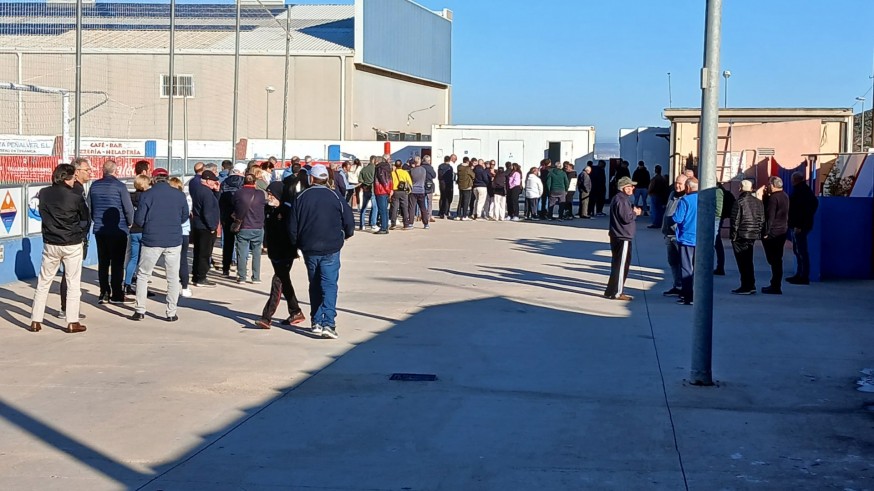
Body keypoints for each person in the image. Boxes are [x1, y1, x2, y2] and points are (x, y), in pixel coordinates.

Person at [288, 164, 355, 339]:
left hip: (309, 247)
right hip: (331, 247)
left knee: (315, 284)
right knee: (330, 285)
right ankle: (328, 323)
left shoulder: (301, 197)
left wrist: (296, 244)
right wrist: (346, 234)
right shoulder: (335, 196)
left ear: (312, 178)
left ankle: (316, 321)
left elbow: (292, 225)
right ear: (326, 178)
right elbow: (348, 219)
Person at [28, 164, 89, 333]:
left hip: (50, 242)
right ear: (67, 178)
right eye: (72, 178)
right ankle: (72, 321)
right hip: (72, 243)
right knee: (73, 283)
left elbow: (41, 213)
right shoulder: (75, 197)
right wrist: (81, 234)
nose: (73, 181)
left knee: (43, 282)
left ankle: (35, 319)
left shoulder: (44, 193)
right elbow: (85, 219)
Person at [129, 168, 189, 322]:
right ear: (167, 178)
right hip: (174, 239)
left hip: (152, 239)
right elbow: (184, 217)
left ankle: (140, 310)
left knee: (143, 274)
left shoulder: (147, 195)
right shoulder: (179, 195)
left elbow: (140, 219)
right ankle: (171, 312)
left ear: (153, 179)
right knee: (172, 278)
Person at [256, 181, 305, 329]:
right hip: (274, 252)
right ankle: (295, 311)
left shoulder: (288, 210)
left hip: (286, 252)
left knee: (278, 282)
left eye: (271, 195)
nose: (269, 197)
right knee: (285, 282)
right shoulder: (268, 209)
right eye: (268, 194)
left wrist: (298, 247)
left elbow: (293, 231)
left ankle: (267, 317)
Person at [89, 159, 135, 304]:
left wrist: (95, 220)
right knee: (117, 263)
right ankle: (117, 294)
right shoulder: (120, 186)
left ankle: (104, 292)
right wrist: (129, 223)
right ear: (116, 171)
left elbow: (89, 206)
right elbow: (128, 208)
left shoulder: (94, 186)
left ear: (103, 171)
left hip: (100, 229)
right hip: (118, 229)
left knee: (103, 262)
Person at [59, 157, 92, 319]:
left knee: (70, 274)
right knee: (71, 275)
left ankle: (66, 308)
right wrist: (80, 232)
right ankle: (67, 309)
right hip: (73, 238)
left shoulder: (79, 188)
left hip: (74, 235)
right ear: (77, 172)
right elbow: (79, 215)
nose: (90, 173)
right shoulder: (76, 190)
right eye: (87, 170)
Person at [604, 176, 642, 300]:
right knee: (621, 266)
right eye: (630, 186)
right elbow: (626, 218)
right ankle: (617, 292)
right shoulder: (622, 200)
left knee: (617, 264)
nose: (632, 188)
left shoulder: (620, 199)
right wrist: (635, 212)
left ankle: (611, 290)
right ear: (624, 188)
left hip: (618, 235)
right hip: (622, 236)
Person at [729, 179, 764, 295]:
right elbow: (762, 219)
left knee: (742, 261)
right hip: (752, 235)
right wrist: (758, 231)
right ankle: (751, 284)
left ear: (740, 188)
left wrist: (733, 235)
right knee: (749, 260)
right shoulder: (758, 202)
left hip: (741, 235)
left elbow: (735, 220)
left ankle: (746, 285)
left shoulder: (739, 201)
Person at [232, 173, 266, 284]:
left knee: (242, 252)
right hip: (257, 226)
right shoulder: (260, 194)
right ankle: (256, 277)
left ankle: (242, 276)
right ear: (255, 182)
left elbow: (234, 205)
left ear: (243, 182)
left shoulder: (238, 193)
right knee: (256, 252)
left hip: (243, 226)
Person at [787, 172, 819, 285]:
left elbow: (803, 211)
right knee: (797, 251)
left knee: (801, 251)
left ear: (795, 180)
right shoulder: (803, 191)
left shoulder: (802, 192)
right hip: (798, 225)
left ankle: (804, 276)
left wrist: (800, 225)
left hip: (799, 227)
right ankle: (799, 274)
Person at [190, 169, 221, 288]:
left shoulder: (199, 190)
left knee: (198, 252)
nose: (215, 183)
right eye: (213, 181)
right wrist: (212, 226)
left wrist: (217, 191)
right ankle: (201, 277)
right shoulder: (206, 193)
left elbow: (213, 203)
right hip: (205, 227)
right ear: (207, 180)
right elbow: (208, 211)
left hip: (198, 225)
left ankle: (196, 275)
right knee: (204, 253)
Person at [761, 176, 790, 294]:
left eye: (769, 184)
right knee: (778, 259)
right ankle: (776, 284)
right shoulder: (785, 196)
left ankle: (775, 285)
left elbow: (770, 216)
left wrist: (766, 232)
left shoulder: (773, 198)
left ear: (773, 185)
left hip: (773, 231)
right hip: (782, 230)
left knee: (773, 259)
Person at [124, 174, 152, 296]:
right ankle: (142, 287)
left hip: (133, 230)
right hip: (145, 230)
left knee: (133, 258)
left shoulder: (130, 197)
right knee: (144, 261)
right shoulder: (148, 197)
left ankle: (127, 283)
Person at [672, 177, 699, 305]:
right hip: (700, 239)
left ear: (687, 187)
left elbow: (677, 218)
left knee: (687, 268)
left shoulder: (685, 200)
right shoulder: (704, 199)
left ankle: (687, 296)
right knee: (699, 268)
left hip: (687, 238)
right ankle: (699, 295)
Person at [661, 174, 688, 297]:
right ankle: (677, 285)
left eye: (680, 184)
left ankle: (685, 286)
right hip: (668, 234)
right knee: (672, 261)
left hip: (679, 235)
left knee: (683, 262)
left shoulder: (686, 198)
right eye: (676, 183)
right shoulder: (672, 195)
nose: (677, 185)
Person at [168, 177, 193, 298]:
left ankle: (173, 287)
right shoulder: (185, 198)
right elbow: (187, 214)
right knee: (183, 260)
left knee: (171, 261)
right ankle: (185, 286)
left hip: (172, 232)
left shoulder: (167, 200)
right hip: (184, 232)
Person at [219, 163, 246, 276]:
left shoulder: (224, 182)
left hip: (226, 215)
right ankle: (241, 269)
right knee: (242, 243)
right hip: (240, 217)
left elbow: (220, 200)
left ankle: (226, 268)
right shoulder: (244, 182)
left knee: (228, 243)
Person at [713, 182, 735, 276]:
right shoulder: (720, 191)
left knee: (714, 242)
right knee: (717, 243)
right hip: (718, 218)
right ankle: (719, 266)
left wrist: (715, 216)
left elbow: (718, 208)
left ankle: (719, 266)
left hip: (715, 219)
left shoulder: (717, 191)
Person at [408, 157, 432, 228]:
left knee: (412, 207)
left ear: (414, 163)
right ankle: (426, 223)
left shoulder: (411, 170)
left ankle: (411, 223)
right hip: (421, 190)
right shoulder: (423, 170)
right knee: (423, 207)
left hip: (413, 190)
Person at [390, 160, 412, 230]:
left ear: (395, 166)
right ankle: (406, 224)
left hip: (395, 191)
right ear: (401, 165)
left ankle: (393, 224)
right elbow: (410, 183)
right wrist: (408, 191)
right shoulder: (405, 173)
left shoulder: (392, 173)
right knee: (405, 208)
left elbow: (390, 183)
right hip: (403, 192)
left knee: (394, 208)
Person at [373, 156, 393, 234]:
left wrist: (388, 190)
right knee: (385, 210)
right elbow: (390, 180)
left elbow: (383, 181)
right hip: (385, 191)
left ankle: (383, 228)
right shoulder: (388, 168)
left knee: (382, 210)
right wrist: (390, 189)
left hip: (380, 191)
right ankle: (385, 227)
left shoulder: (379, 168)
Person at [358, 156, 377, 231]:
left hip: (365, 189)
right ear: (374, 160)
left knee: (364, 207)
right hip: (372, 189)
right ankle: (373, 224)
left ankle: (362, 225)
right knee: (375, 207)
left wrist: (364, 185)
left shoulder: (364, 169)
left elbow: (360, 179)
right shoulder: (375, 169)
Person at [421, 155, 437, 223]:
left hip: (421, 185)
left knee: (421, 201)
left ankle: (420, 215)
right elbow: (434, 175)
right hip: (429, 185)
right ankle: (428, 216)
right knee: (429, 201)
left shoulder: (421, 167)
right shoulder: (430, 167)